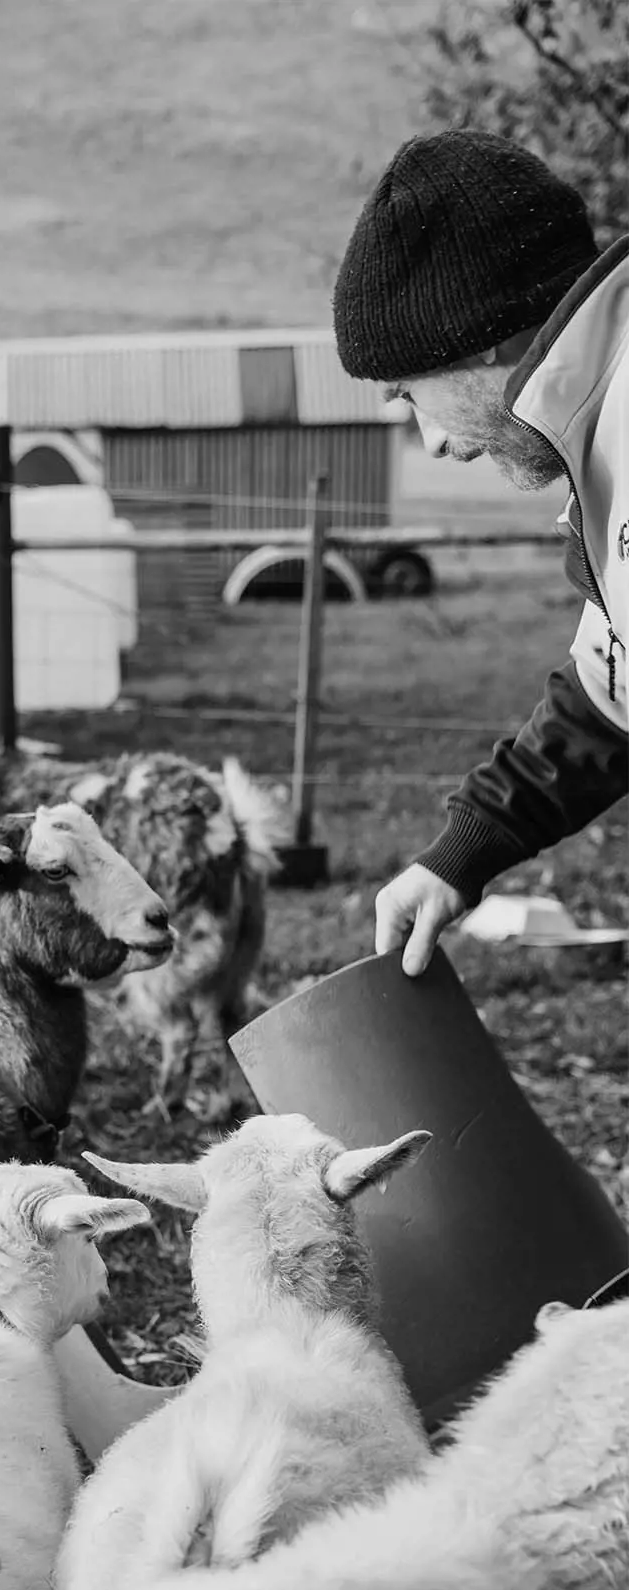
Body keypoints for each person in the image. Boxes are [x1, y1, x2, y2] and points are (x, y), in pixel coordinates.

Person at [331, 130, 627, 973]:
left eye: (409, 394)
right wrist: (461, 854)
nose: (427, 441)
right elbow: (615, 692)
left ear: (482, 341)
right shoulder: (604, 442)